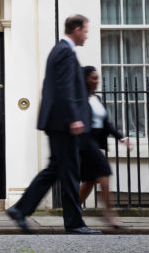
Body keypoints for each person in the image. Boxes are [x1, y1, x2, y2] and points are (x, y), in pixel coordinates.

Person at [6, 14, 101, 235]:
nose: (86, 35)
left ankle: (20, 209)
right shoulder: (65, 52)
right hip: (63, 123)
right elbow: (64, 88)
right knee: (69, 173)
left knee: (57, 170)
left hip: (57, 122)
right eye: (85, 31)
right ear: (76, 30)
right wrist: (73, 118)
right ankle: (74, 223)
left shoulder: (61, 51)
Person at [79, 65, 131, 229]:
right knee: (104, 173)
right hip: (85, 142)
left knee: (89, 181)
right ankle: (110, 214)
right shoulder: (79, 99)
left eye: (97, 78)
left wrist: (121, 137)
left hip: (96, 143)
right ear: (86, 79)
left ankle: (72, 209)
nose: (97, 81)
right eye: (94, 78)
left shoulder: (97, 99)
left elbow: (106, 123)